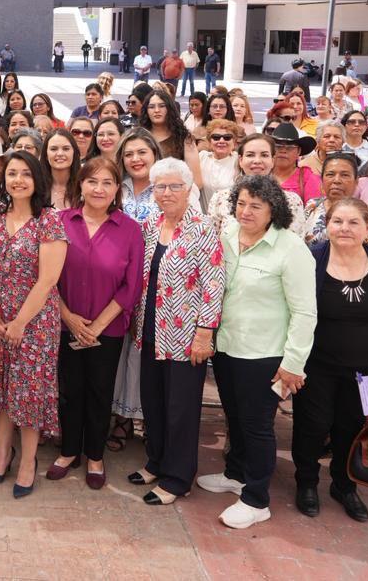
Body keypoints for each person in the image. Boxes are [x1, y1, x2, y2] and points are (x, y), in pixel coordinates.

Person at [199, 175, 316, 530]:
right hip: (227, 348)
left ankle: (256, 499)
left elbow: (305, 312)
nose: (245, 211)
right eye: (241, 203)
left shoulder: (291, 248)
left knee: (257, 426)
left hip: (265, 355)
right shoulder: (227, 236)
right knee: (234, 417)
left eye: (256, 205)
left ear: (273, 210)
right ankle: (236, 474)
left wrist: (293, 363)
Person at [292, 198, 368, 522]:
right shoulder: (311, 259)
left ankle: (344, 486)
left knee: (352, 428)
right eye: (338, 221)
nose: (344, 228)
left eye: (354, 222)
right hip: (315, 366)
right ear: (327, 225)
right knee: (312, 426)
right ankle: (307, 482)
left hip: (365, 371)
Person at [0, 152, 68, 498]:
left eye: (26, 174)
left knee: (27, 396)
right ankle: (2, 456)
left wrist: (20, 323)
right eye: (12, 173)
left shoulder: (48, 220)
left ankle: (28, 463)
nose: (18, 180)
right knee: (1, 392)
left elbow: (48, 280)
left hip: (35, 324)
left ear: (37, 179)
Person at [128, 159, 223, 506]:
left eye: (174, 186)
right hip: (151, 328)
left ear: (189, 189)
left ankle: (178, 478)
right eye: (160, 187)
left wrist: (205, 333)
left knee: (180, 409)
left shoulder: (202, 228)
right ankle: (156, 461)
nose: (166, 193)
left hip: (186, 337)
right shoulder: (151, 224)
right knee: (153, 402)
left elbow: (214, 283)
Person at [52, 158, 145, 490]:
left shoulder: (130, 229)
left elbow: (132, 285)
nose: (99, 189)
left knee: (99, 391)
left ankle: (94, 455)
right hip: (66, 323)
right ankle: (68, 452)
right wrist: (68, 317)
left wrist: (96, 327)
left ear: (117, 188)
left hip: (109, 329)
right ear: (80, 185)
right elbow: (46, 276)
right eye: (92, 181)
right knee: (70, 390)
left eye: (107, 182)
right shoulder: (60, 222)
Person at [208, 134, 308, 237]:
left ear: (272, 161)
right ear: (241, 160)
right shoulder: (220, 198)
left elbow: (296, 241)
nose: (257, 161)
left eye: (264, 155)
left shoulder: (291, 201)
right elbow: (212, 241)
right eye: (250, 155)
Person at [268, 123, 321, 204]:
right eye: (278, 146)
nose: (283, 151)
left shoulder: (308, 178)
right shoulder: (261, 173)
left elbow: (314, 209)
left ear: (298, 151)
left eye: (289, 147)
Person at [198, 119, 241, 209]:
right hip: (203, 215)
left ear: (234, 142)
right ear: (210, 141)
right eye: (216, 137)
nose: (221, 141)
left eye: (227, 137)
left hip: (230, 215)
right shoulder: (202, 157)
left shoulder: (239, 160)